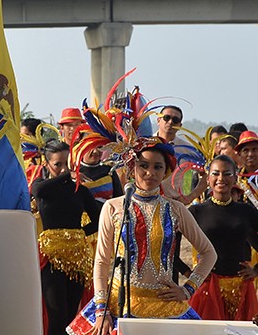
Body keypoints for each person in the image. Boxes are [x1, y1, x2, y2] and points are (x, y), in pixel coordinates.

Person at [68, 138, 216, 335]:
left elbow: (209, 253)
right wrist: (102, 307)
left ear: (166, 172)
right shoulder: (113, 207)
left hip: (164, 303)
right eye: (143, 166)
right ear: (132, 167)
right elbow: (102, 261)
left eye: (158, 167)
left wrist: (188, 288)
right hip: (118, 304)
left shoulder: (176, 209)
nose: (150, 173)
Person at [32, 139, 101, 335]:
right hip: (51, 258)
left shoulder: (80, 190)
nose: (63, 169)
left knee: (72, 313)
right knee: (56, 314)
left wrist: (77, 235)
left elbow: (96, 219)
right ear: (46, 165)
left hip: (77, 259)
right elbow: (37, 191)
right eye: (57, 164)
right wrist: (66, 176)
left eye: (67, 164)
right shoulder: (42, 188)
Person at [188, 155, 258, 320]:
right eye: (216, 173)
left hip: (240, 289)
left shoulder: (246, 211)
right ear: (208, 177)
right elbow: (170, 245)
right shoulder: (196, 212)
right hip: (206, 289)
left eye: (227, 174)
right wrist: (188, 273)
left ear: (235, 177)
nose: (221, 178)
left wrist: (255, 270)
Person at [236, 130, 258, 207]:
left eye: (254, 150)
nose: (250, 154)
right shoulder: (234, 179)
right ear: (239, 154)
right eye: (246, 150)